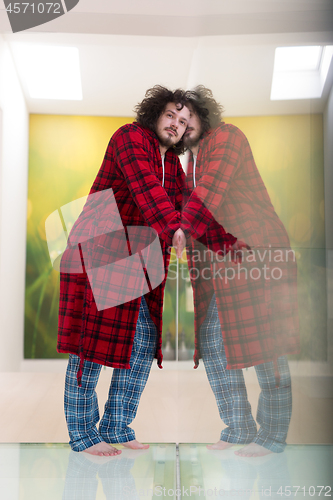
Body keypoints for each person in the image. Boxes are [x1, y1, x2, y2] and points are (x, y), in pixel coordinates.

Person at [57, 86, 192, 457]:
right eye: (170, 115)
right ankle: (83, 434)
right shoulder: (130, 137)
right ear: (154, 113)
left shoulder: (175, 168)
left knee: (143, 344)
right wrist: (174, 227)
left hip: (141, 261)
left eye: (183, 122)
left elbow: (185, 208)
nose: (176, 125)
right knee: (91, 348)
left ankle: (116, 425)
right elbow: (146, 189)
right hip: (99, 251)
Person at [181, 86, 300, 457]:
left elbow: (209, 194)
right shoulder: (188, 164)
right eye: (177, 123)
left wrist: (181, 228)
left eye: (189, 118)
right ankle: (239, 427)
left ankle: (273, 436)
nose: (184, 127)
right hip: (220, 260)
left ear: (203, 113)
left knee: (267, 343)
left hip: (258, 250)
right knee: (214, 340)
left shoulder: (227, 137)